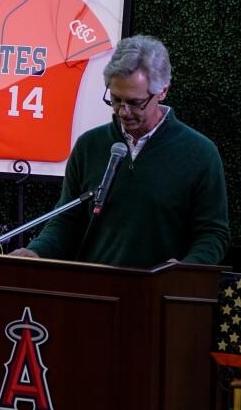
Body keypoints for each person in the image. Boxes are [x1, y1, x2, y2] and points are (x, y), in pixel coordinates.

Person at [12, 35, 228, 267]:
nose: (123, 112)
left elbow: (213, 234)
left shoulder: (199, 153)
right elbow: (67, 220)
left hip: (159, 294)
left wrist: (186, 270)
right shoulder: (90, 146)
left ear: (163, 91)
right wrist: (37, 252)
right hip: (94, 292)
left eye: (135, 103)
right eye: (115, 100)